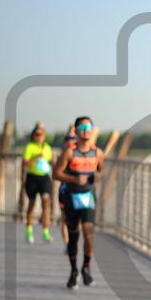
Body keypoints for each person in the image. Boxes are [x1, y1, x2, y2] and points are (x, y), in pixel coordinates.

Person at [53, 116, 104, 289]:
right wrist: (75, 179)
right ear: (76, 131)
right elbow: (56, 174)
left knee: (88, 232)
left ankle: (86, 268)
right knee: (73, 236)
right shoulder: (69, 152)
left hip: (88, 197)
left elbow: (101, 171)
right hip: (71, 197)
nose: (86, 130)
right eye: (82, 127)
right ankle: (74, 270)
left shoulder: (97, 153)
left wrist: (96, 176)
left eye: (89, 127)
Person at [22, 122, 55, 244]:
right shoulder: (30, 147)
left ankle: (45, 231)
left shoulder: (48, 148)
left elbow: (51, 162)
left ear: (44, 135)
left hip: (44, 178)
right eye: (37, 134)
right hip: (32, 177)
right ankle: (29, 231)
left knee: (46, 202)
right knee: (31, 203)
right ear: (33, 135)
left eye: (41, 134)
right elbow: (25, 163)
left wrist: (53, 161)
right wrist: (36, 157)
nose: (39, 136)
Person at [57, 126, 77, 249]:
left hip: (78, 191)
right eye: (68, 138)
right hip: (64, 191)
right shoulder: (62, 157)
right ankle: (67, 243)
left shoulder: (82, 156)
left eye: (73, 138)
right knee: (64, 218)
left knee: (77, 220)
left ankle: (73, 241)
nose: (71, 141)